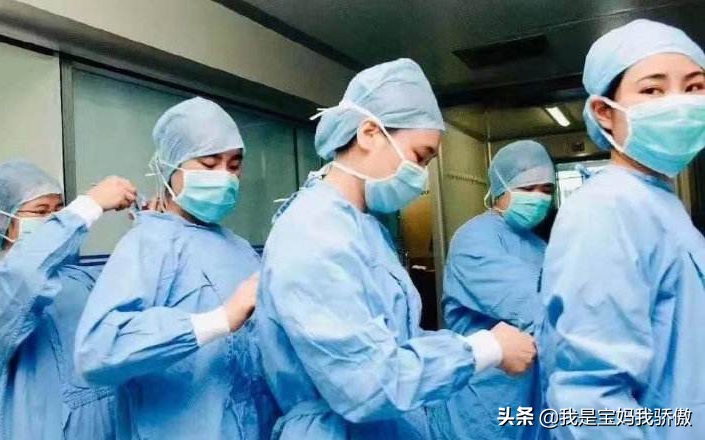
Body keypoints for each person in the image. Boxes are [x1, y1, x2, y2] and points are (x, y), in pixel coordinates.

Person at [255, 58, 537, 440]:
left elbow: (397, 343)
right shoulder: (314, 231)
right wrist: (486, 349)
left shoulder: (362, 225)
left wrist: (471, 348)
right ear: (370, 133)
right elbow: (365, 384)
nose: (420, 175)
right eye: (419, 157)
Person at [537, 19, 705, 440]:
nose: (679, 103)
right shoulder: (605, 209)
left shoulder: (660, 201)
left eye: (695, 87)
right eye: (652, 90)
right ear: (605, 113)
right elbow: (590, 403)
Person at [74, 97, 277, 440]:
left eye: (234, 165)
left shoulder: (239, 248)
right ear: (171, 168)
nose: (225, 176)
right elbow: (97, 350)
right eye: (209, 163)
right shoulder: (148, 244)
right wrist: (219, 320)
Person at [0, 160, 136, 439]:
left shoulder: (80, 277)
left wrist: (151, 227)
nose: (54, 219)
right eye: (41, 211)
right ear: (3, 221)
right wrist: (88, 206)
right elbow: (22, 276)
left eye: (59, 209)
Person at [439, 140, 555, 440]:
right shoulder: (474, 240)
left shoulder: (538, 244)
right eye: (527, 188)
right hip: (486, 400)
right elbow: (535, 306)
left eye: (546, 189)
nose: (539, 197)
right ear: (500, 188)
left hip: (530, 396)